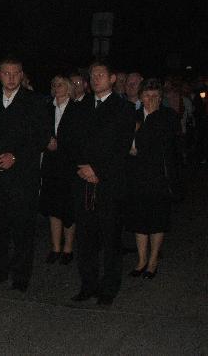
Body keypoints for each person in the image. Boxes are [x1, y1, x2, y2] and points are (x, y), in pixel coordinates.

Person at [0, 56, 50, 291]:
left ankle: (21, 276)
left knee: (22, 227)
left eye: (16, 73)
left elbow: (41, 137)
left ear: (22, 74)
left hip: (22, 176)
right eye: (6, 73)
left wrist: (15, 156)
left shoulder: (35, 101)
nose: (11, 78)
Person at [70, 61, 136, 306]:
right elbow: (72, 141)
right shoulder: (81, 107)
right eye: (93, 75)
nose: (96, 78)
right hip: (83, 181)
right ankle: (88, 284)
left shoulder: (124, 108)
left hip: (109, 183)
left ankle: (109, 287)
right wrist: (83, 167)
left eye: (101, 74)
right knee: (85, 238)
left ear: (112, 78)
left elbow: (120, 147)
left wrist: (97, 170)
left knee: (110, 238)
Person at [125, 79, 181, 279]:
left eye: (155, 96)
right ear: (140, 97)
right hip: (137, 175)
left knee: (157, 219)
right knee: (139, 219)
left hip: (158, 176)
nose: (151, 99)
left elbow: (160, 142)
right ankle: (141, 259)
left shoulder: (167, 116)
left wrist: (146, 126)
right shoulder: (134, 115)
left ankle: (153, 260)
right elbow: (125, 142)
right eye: (147, 95)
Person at [39, 76, 78, 265]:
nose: (56, 87)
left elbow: (80, 137)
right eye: (54, 84)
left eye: (60, 84)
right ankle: (55, 247)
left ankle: (68, 248)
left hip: (69, 165)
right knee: (53, 206)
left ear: (69, 88)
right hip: (51, 164)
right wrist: (46, 141)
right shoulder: (47, 108)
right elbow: (38, 131)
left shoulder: (77, 109)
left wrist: (60, 144)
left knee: (68, 207)